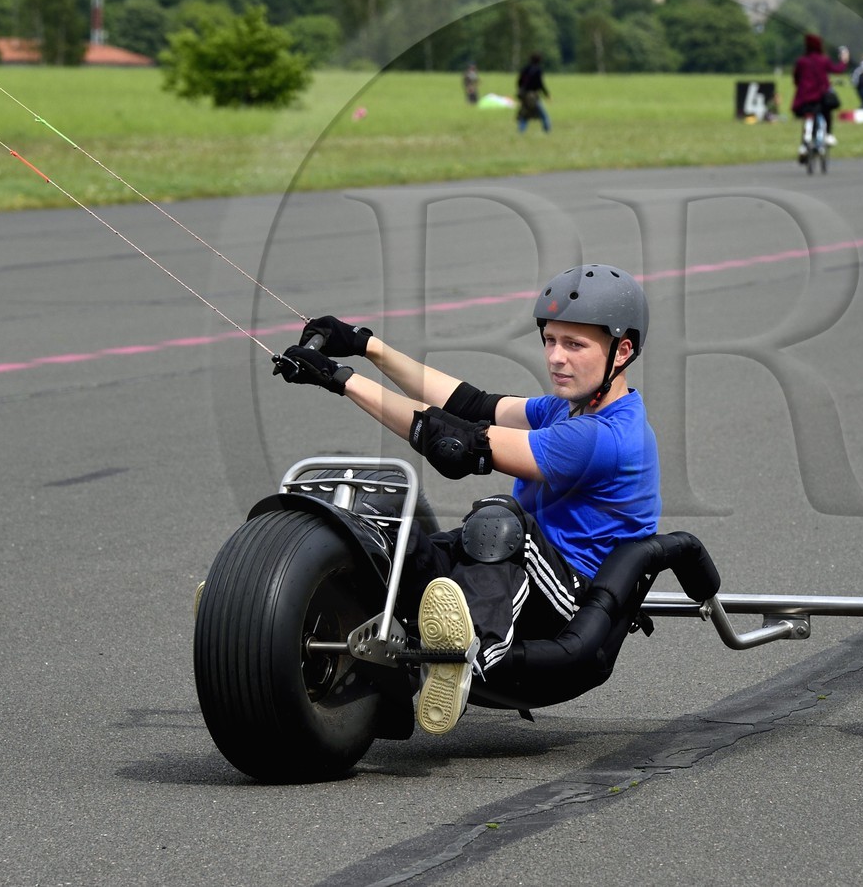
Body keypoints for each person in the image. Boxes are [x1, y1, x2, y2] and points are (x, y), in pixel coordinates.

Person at [271, 264, 659, 736]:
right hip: (521, 572)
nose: (556, 358)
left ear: (622, 350)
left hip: (572, 601)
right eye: (550, 341)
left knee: (497, 522)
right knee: (390, 530)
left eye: (574, 345)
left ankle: (469, 657)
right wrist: (366, 345)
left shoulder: (607, 437)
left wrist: (342, 379)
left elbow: (461, 440)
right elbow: (467, 403)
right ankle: (275, 612)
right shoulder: (565, 408)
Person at [791, 33, 849, 162]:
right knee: (826, 112)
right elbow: (837, 70)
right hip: (821, 96)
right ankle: (828, 134)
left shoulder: (801, 61)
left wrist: (800, 86)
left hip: (805, 97)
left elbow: (796, 77)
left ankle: (804, 145)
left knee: (807, 118)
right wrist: (844, 61)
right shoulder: (823, 60)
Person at [516, 53, 551, 133]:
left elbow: (519, 81)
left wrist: (520, 91)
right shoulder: (538, 70)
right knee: (543, 114)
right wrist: (546, 93)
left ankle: (521, 131)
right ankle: (547, 130)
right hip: (533, 96)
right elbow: (540, 84)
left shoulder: (525, 69)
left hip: (524, 95)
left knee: (524, 114)